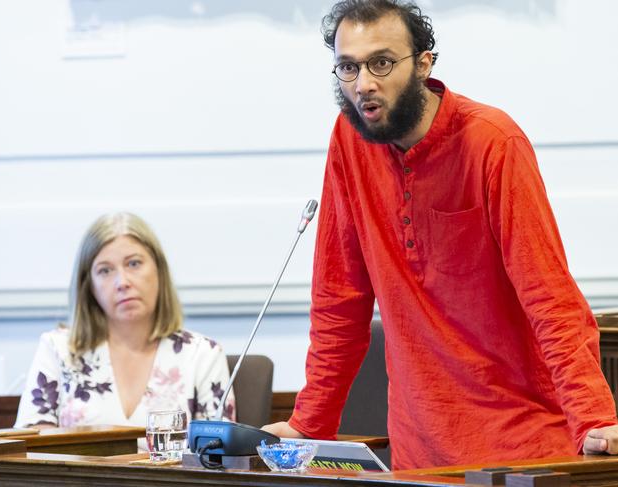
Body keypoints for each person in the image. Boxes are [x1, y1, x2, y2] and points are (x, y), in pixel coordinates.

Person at [263, 0, 618, 469]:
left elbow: (549, 296)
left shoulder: (492, 142)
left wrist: (594, 416)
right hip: (419, 455)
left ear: (424, 64)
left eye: (382, 63)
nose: (363, 84)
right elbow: (339, 297)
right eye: (347, 68)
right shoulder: (349, 140)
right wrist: (310, 422)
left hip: (524, 449)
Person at [15, 212, 234, 429]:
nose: (122, 282)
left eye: (134, 264)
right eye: (105, 270)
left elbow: (218, 455)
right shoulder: (58, 349)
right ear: (88, 286)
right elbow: (26, 447)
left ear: (159, 271)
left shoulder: (203, 355)